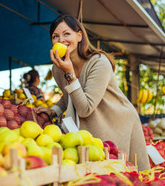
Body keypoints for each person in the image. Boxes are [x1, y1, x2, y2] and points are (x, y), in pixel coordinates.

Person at [35, 14, 150, 171]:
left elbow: (85, 109)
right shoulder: (58, 68)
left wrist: (69, 74)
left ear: (79, 35)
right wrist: (53, 111)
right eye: (55, 36)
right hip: (90, 125)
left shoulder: (98, 62)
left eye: (66, 34)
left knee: (121, 174)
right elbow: (69, 94)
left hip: (116, 121)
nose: (61, 39)